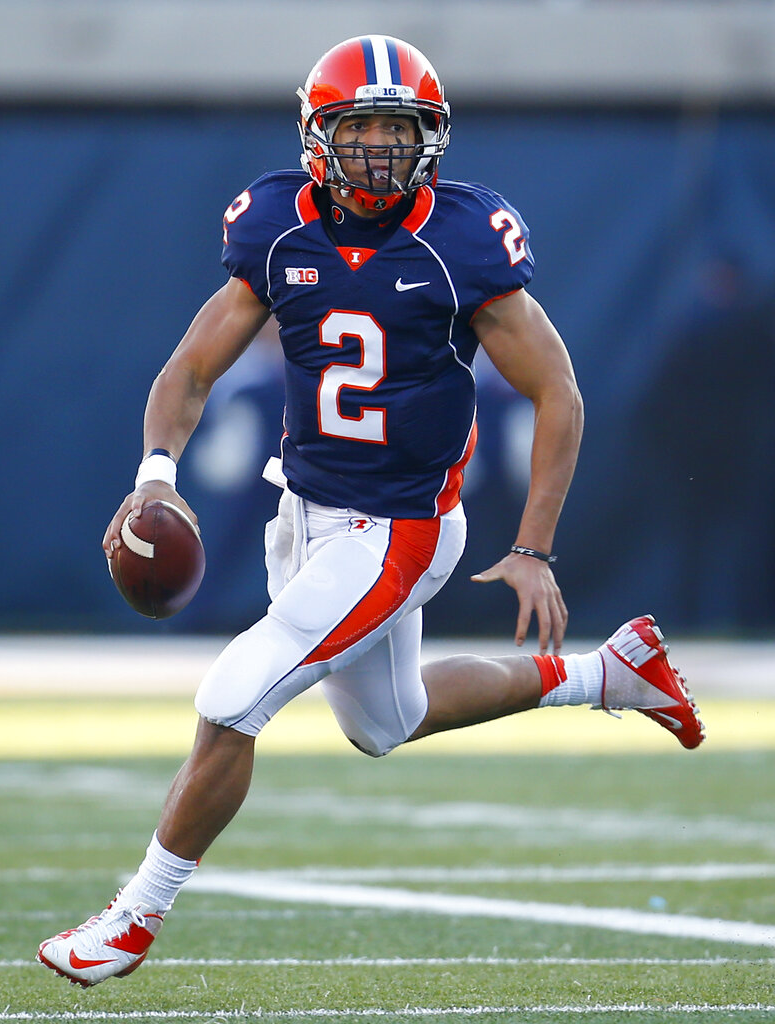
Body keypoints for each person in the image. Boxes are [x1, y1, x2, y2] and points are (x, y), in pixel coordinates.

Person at [37, 35, 704, 988]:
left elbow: (560, 389)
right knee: (389, 720)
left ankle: (133, 918)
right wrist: (155, 474)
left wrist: (535, 546)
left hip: (399, 528)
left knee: (235, 695)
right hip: (301, 503)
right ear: (319, 137)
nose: (383, 150)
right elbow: (190, 367)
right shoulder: (275, 225)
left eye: (402, 130)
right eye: (364, 129)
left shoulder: (462, 241)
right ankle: (611, 673)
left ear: (431, 138)